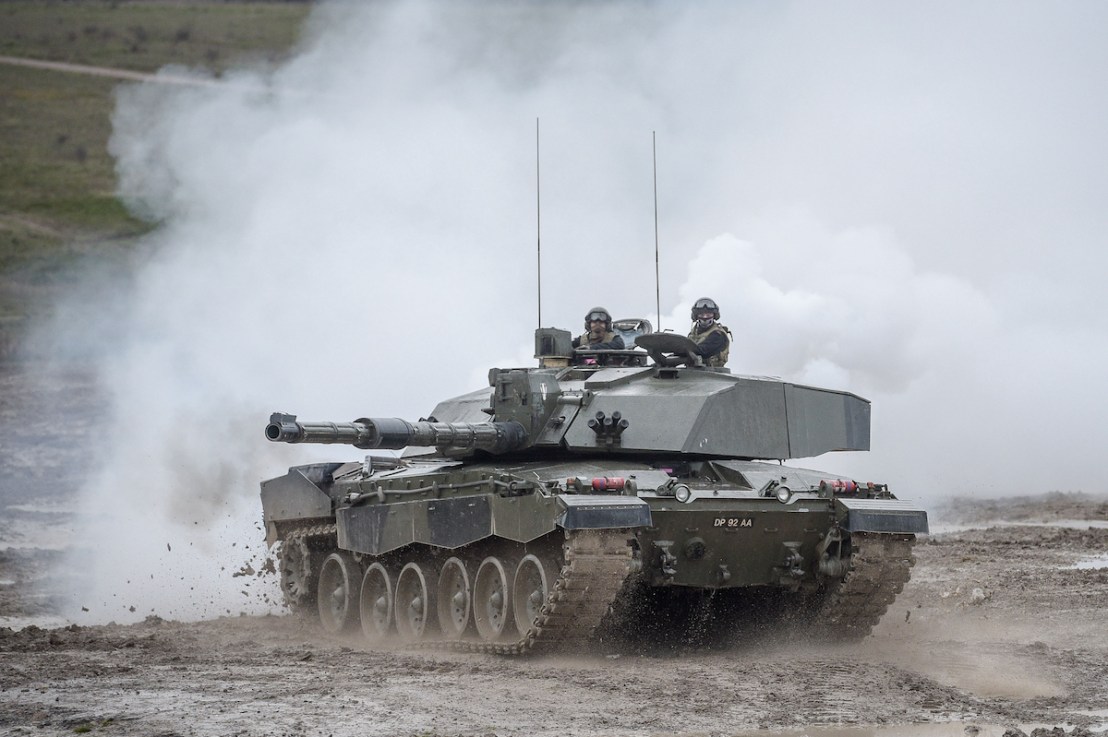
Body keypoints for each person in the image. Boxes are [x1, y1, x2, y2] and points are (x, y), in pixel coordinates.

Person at [687, 297, 730, 367]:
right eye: (701, 314)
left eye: (708, 314)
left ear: (715, 315)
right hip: (693, 371)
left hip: (713, 373)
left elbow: (702, 351)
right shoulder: (693, 333)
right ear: (696, 316)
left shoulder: (718, 335)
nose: (705, 317)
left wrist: (682, 350)